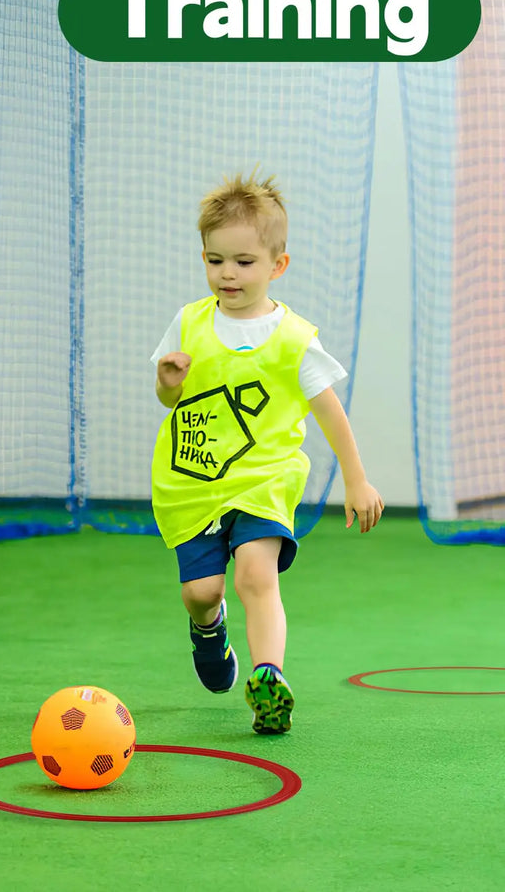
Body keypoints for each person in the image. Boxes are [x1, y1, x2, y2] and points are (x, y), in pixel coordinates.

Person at [150, 172, 382, 734]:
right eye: (215, 259)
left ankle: (268, 678)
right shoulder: (190, 322)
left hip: (265, 480)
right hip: (195, 483)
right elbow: (168, 398)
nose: (227, 273)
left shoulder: (295, 338)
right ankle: (209, 631)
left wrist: (356, 478)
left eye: (244, 262)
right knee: (200, 592)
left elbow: (329, 409)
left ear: (277, 265)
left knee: (258, 574)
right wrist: (168, 381)